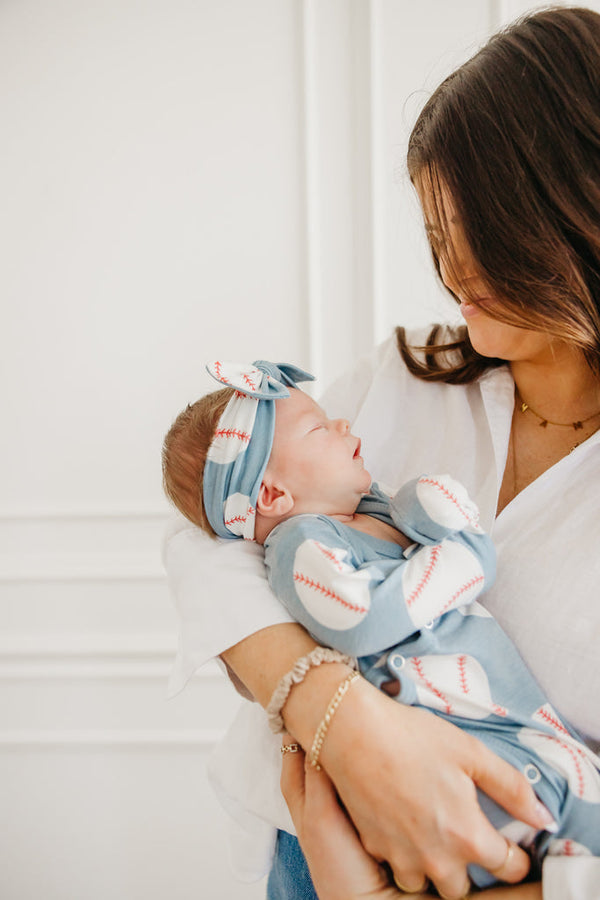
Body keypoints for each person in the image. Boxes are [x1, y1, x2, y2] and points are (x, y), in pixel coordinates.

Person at [163, 7, 600, 899]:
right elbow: (211, 538)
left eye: (484, 224)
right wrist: (339, 717)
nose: (452, 265)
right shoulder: (400, 379)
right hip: (300, 852)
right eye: (437, 229)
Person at [162, 358, 600, 891]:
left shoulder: (362, 506)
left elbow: (411, 514)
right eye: (322, 428)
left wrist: (423, 509)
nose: (345, 426)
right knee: (533, 816)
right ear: (273, 496)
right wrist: (458, 557)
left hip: (516, 731)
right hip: (431, 790)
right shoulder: (302, 542)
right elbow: (359, 619)